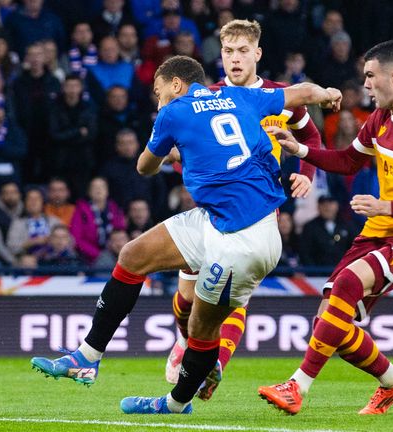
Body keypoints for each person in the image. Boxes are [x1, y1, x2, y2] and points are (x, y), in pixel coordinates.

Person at [30, 55, 341, 414]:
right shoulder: (240, 96)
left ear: (176, 85)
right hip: (217, 218)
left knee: (200, 326)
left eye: (159, 92)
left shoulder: (173, 112)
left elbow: (144, 167)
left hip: (246, 238)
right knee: (133, 256)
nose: (158, 101)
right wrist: (327, 93)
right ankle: (86, 356)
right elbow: (300, 92)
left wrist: (170, 149)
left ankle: (176, 403)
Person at [259, 40, 393, 416]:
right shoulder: (381, 118)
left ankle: (296, 387)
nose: (365, 84)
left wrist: (387, 206)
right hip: (378, 233)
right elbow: (350, 161)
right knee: (328, 321)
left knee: (348, 284)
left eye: (370, 76)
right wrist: (300, 151)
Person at [164, 19, 324, 398]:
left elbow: (311, 136)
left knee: (233, 292)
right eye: (228, 52)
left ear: (257, 54)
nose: (235, 59)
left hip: (257, 210)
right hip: (208, 211)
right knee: (187, 300)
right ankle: (187, 341)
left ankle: (214, 363)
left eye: (242, 51)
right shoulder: (206, 96)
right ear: (220, 56)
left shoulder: (279, 96)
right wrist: (176, 157)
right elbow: (178, 146)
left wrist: (307, 171)